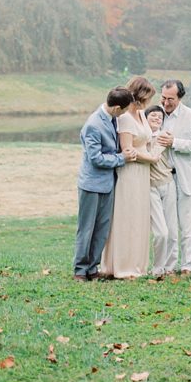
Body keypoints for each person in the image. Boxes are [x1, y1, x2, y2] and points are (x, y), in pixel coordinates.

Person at [73, 86, 136, 282]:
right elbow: (96, 159)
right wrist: (122, 158)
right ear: (117, 107)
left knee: (102, 228)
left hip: (108, 184)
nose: (125, 114)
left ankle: (93, 267)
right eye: (124, 110)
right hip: (91, 184)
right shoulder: (93, 124)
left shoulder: (113, 119)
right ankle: (80, 270)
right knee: (87, 228)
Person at [100, 76, 157, 279]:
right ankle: (122, 265)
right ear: (139, 96)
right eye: (147, 97)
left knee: (139, 217)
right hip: (130, 172)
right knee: (127, 217)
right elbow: (127, 149)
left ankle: (137, 263)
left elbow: (147, 138)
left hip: (142, 174)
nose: (149, 102)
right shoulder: (124, 118)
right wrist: (150, 158)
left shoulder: (141, 114)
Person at [156, 79, 191, 276]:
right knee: (169, 227)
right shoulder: (156, 114)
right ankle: (169, 266)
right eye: (163, 98)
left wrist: (174, 142)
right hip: (164, 179)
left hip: (187, 178)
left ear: (180, 97)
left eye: (170, 99)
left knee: (187, 226)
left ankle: (187, 266)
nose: (166, 103)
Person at [145, 104, 176, 278]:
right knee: (161, 232)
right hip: (150, 188)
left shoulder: (164, 136)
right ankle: (157, 268)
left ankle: (169, 267)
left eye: (160, 117)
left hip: (168, 184)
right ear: (145, 118)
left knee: (171, 231)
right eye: (153, 116)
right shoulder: (140, 137)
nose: (157, 119)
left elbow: (154, 156)